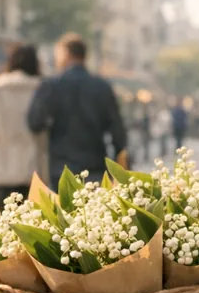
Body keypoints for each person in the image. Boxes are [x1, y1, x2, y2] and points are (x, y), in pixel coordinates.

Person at [27, 33, 127, 186]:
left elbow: (34, 122)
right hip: (95, 165)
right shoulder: (102, 86)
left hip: (61, 168)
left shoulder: (51, 85)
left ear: (66, 54)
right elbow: (117, 131)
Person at [0, 44, 46, 207]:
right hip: (32, 166)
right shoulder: (41, 88)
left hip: (0, 165)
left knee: (3, 218)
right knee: (30, 219)